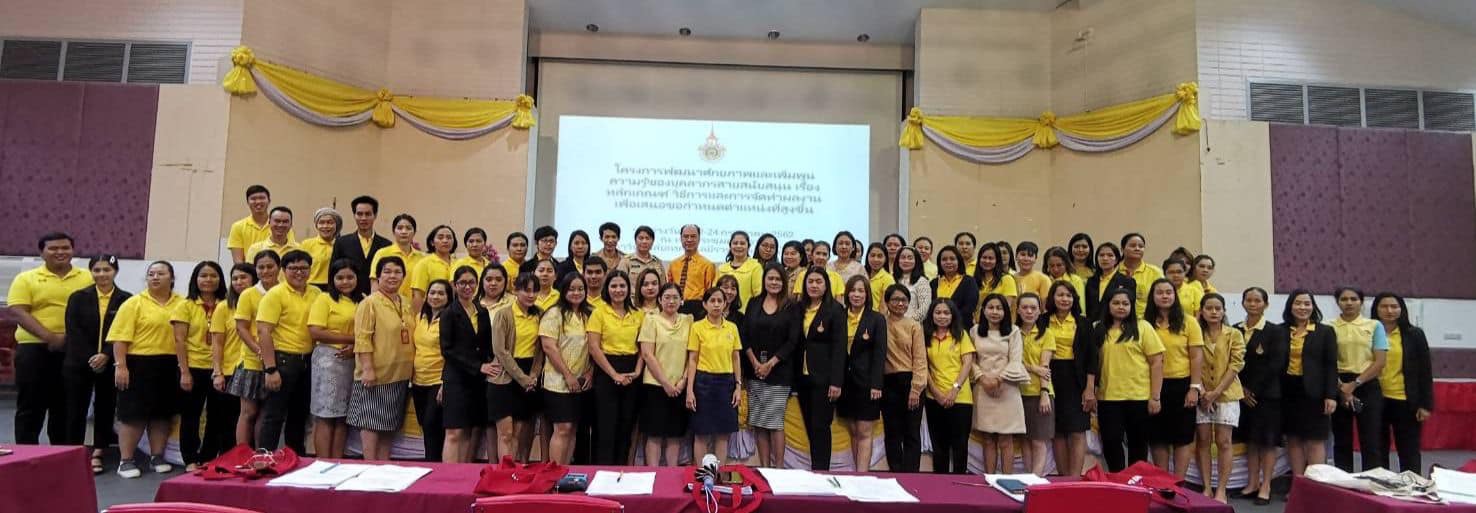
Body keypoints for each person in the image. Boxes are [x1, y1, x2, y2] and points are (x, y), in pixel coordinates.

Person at [4, 232, 92, 445]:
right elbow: (18, 311)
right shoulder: (26, 278)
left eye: (65, 248)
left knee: (65, 409)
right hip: (34, 349)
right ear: (41, 252)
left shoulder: (88, 278)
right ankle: (27, 456)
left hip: (73, 351)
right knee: (30, 407)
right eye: (53, 248)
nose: (60, 252)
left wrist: (69, 339)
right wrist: (50, 337)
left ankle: (61, 456)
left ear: (73, 251)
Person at [108, 261, 185, 478]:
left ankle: (157, 456)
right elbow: (120, 339)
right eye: (151, 274)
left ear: (172, 278)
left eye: (161, 273)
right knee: (133, 415)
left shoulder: (183, 303)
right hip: (138, 364)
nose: (155, 277)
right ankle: (126, 460)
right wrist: (121, 366)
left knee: (162, 414)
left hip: (170, 364)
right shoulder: (133, 303)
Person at [62, 255, 130, 473]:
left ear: (115, 272)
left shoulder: (126, 299)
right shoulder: (78, 297)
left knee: (105, 408)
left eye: (107, 270)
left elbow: (125, 332)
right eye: (97, 270)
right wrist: (92, 357)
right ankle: (73, 452)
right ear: (91, 272)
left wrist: (106, 355)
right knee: (75, 408)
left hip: (110, 363)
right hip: (79, 362)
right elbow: (73, 330)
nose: (102, 274)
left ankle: (98, 452)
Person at [254, 250, 324, 453]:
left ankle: (294, 458)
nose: (299, 272)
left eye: (303, 268)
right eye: (293, 268)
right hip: (282, 361)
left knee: (299, 414)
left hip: (308, 360)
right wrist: (270, 369)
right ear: (283, 270)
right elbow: (263, 331)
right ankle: (264, 458)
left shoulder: (316, 293)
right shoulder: (275, 294)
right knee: (274, 414)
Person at [349, 256, 414, 461]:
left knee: (389, 424)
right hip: (376, 374)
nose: (392, 276)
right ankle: (370, 465)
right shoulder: (369, 303)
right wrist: (368, 369)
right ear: (378, 277)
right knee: (370, 423)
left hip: (400, 374)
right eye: (387, 272)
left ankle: (383, 465)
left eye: (397, 272)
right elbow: (362, 338)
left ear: (404, 276)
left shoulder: (406, 302)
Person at [1094, 287, 1164, 472]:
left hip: (1139, 397)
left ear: (1132, 306)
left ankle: (1135, 481)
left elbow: (1157, 362)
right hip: (1108, 397)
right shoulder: (1098, 328)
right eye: (1116, 303)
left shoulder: (1143, 327)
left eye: (1125, 303)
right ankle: (1118, 479)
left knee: (1138, 444)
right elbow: (1092, 364)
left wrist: (1155, 396)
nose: (1121, 307)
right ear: (1108, 305)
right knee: (1110, 442)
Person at [171, 261, 231, 470]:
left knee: (216, 415)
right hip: (193, 367)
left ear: (220, 280)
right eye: (203, 276)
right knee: (191, 415)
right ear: (195, 279)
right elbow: (179, 341)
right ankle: (190, 458)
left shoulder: (227, 304)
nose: (208, 280)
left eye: (213, 276)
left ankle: (208, 457)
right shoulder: (185, 306)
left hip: (219, 368)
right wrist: (184, 372)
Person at [1145, 278, 1204, 479]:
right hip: (1152, 386)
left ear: (1175, 295)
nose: (1164, 296)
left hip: (1182, 385)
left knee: (1182, 437)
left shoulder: (1189, 322)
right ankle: (1162, 483)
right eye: (1159, 292)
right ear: (1152, 297)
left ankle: (1178, 483)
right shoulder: (1145, 323)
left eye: (1168, 292)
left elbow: (1196, 357)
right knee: (1157, 437)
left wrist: (1194, 388)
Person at [741, 264, 798, 468]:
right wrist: (755, 363)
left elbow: (792, 340)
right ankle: (765, 468)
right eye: (770, 278)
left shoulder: (791, 306)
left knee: (774, 423)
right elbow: (744, 335)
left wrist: (771, 364)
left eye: (778, 279)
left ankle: (778, 469)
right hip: (755, 371)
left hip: (779, 372)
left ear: (784, 282)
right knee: (759, 422)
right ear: (764, 280)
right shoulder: (754, 302)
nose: (774, 282)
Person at [587, 270, 645, 465]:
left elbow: (643, 347)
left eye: (622, 286)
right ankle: (603, 470)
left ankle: (622, 469)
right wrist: (614, 375)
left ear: (628, 288)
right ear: (607, 288)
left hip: (632, 371)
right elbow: (594, 347)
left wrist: (637, 371)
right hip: (606, 370)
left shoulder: (638, 314)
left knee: (626, 424)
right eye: (614, 286)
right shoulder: (599, 312)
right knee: (606, 424)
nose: (618, 290)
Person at [1372, 292, 1434, 474]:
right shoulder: (1369, 332)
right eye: (1384, 306)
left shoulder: (1414, 334)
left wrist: (1425, 405)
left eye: (1394, 306)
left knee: (1409, 449)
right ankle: (1381, 484)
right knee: (1377, 448)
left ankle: (1411, 485)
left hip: (1405, 400)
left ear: (1402, 309)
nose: (1389, 311)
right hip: (1375, 399)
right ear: (1376, 309)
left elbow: (1425, 370)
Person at [1235, 287, 1286, 505]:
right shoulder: (1234, 329)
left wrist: (1252, 390)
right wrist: (1241, 390)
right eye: (1249, 300)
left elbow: (1276, 364)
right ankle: (1252, 483)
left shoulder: (1275, 331)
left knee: (1267, 442)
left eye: (1258, 300)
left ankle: (1266, 486)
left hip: (1267, 396)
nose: (1253, 304)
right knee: (1251, 441)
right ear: (1243, 303)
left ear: (1266, 304)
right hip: (1240, 395)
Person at [305, 259, 361, 459]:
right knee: (326, 415)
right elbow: (316, 332)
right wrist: (353, 339)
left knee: (342, 415)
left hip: (352, 361)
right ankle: (323, 462)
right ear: (332, 279)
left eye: (350, 277)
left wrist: (355, 347)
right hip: (328, 360)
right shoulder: (325, 299)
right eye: (340, 277)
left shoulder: (362, 300)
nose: (345, 282)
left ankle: (337, 462)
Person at [1330, 286, 1389, 472]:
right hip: (1338, 383)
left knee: (1371, 439)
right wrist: (1342, 386)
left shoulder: (1374, 326)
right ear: (1337, 302)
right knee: (1342, 439)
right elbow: (1326, 360)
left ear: (1361, 302)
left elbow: (1380, 362)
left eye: (1353, 299)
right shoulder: (1328, 326)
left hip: (1367, 383)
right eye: (1344, 299)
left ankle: (1371, 480)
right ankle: (1342, 482)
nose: (1349, 303)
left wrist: (1354, 384)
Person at [1281, 289, 1339, 479]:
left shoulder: (1325, 332)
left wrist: (1331, 395)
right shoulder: (1280, 330)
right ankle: (1298, 483)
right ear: (1290, 306)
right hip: (1288, 391)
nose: (1302, 307)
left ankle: (1316, 484)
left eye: (1307, 304)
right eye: (1298, 303)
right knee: (1293, 439)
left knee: (1315, 439)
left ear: (1313, 307)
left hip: (1315, 392)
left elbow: (1331, 365)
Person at [488, 273, 545, 462]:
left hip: (529, 374)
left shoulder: (540, 314)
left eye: (535, 291)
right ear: (515, 290)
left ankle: (516, 470)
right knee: (506, 433)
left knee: (519, 433)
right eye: (526, 290)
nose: (531, 295)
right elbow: (500, 350)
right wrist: (522, 378)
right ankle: (505, 472)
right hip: (505, 375)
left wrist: (534, 375)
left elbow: (540, 350)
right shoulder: (504, 314)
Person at [1194, 293, 1244, 504]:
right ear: (1201, 311)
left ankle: (1221, 489)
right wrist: (1203, 392)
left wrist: (1215, 393)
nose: (1214, 312)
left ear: (1224, 311)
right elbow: (1192, 362)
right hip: (1201, 394)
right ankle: (1206, 487)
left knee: (1224, 442)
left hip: (1227, 394)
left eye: (1218, 308)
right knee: (1203, 441)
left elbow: (1236, 364)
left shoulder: (1234, 334)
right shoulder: (1196, 332)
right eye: (1209, 308)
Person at [970, 293, 1029, 473]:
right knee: (987, 439)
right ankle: (989, 478)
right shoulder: (974, 331)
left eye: (999, 308)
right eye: (991, 308)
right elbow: (970, 360)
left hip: (1007, 388)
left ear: (1006, 312)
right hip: (983, 388)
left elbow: (1016, 359)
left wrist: (998, 380)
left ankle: (1006, 480)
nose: (994, 312)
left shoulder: (1014, 331)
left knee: (1005, 440)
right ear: (983, 310)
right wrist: (983, 379)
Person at [441, 266, 494, 463]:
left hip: (477, 381)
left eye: (471, 282)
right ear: (455, 285)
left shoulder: (482, 311)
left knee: (468, 430)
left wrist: (489, 364)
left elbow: (486, 345)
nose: (467, 287)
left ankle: (461, 473)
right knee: (454, 432)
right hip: (456, 379)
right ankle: (448, 474)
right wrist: (477, 366)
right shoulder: (448, 313)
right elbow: (447, 350)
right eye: (462, 283)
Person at [684, 287, 743, 463]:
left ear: (725, 304)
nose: (716, 305)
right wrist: (689, 390)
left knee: (723, 434)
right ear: (705, 304)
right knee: (701, 433)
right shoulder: (697, 327)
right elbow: (692, 359)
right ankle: (703, 474)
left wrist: (738, 386)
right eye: (712, 301)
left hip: (726, 383)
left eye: (720, 301)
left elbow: (736, 358)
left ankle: (719, 474)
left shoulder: (732, 328)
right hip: (703, 383)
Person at [795, 267, 846, 470]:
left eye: (818, 282)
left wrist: (836, 382)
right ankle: (815, 468)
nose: (814, 285)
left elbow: (840, 348)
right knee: (810, 426)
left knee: (820, 426)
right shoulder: (798, 308)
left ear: (826, 286)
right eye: (810, 282)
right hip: (803, 378)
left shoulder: (835, 310)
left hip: (824, 379)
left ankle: (822, 471)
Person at [1044, 281, 1096, 476]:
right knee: (1057, 430)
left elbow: (1092, 358)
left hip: (1076, 379)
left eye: (1068, 295)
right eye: (1060, 295)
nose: (1064, 299)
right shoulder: (1042, 321)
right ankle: (1063, 479)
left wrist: (1089, 388)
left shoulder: (1083, 323)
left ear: (1074, 299)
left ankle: (1075, 478)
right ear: (1052, 298)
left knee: (1077, 430)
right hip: (1050, 377)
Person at [541, 273, 593, 465]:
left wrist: (590, 372)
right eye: (571, 289)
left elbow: (595, 347)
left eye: (580, 289)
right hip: (558, 382)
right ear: (563, 291)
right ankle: (554, 471)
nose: (576, 293)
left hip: (582, 383)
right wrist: (568, 375)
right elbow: (549, 347)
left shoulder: (590, 314)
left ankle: (565, 470)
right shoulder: (554, 314)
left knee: (572, 428)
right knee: (562, 428)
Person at [639, 283, 694, 466]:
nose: (671, 301)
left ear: (681, 300)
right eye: (667, 297)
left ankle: (672, 475)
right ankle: (653, 474)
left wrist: (683, 380)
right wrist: (665, 383)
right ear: (660, 300)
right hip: (655, 385)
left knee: (674, 435)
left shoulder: (688, 320)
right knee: (654, 435)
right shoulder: (651, 320)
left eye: (675, 297)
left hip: (679, 387)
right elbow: (647, 354)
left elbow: (692, 354)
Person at [229, 250, 279, 447]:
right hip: (252, 361)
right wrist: (260, 351)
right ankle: (241, 454)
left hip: (277, 361)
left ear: (279, 268)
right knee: (248, 412)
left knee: (266, 414)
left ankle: (261, 453)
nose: (265, 271)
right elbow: (241, 328)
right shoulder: (248, 294)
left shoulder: (283, 291)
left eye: (270, 266)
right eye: (261, 267)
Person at [839, 275, 888, 472]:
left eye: (861, 291)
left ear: (867, 294)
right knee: (853, 430)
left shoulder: (876, 319)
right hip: (845, 383)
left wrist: (876, 384)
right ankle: (857, 473)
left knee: (864, 431)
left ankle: (862, 475)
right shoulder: (840, 316)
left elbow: (879, 354)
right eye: (853, 290)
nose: (856, 295)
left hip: (868, 384)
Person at [924, 298, 975, 474]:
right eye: (938, 312)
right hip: (934, 398)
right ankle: (940, 485)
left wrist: (955, 389)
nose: (942, 316)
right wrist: (936, 392)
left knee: (960, 446)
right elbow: (924, 367)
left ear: (953, 315)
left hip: (960, 398)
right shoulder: (925, 336)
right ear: (931, 315)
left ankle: (959, 484)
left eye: (946, 313)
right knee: (939, 446)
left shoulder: (961, 335)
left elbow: (967, 363)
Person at [881, 284, 927, 473]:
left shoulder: (914, 325)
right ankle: (895, 472)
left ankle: (911, 475)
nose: (900, 304)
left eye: (904, 300)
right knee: (892, 432)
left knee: (911, 432)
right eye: (895, 300)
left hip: (910, 381)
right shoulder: (880, 323)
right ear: (887, 302)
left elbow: (920, 359)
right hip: (888, 383)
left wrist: (916, 389)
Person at [411, 279, 452, 461]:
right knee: (426, 426)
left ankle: (435, 466)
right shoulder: (419, 317)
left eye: (441, 293)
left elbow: (452, 354)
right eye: (432, 293)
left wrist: (445, 382)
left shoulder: (450, 319)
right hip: (418, 381)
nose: (436, 297)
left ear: (448, 297)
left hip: (438, 380)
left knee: (431, 425)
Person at [1014, 293, 1054, 476]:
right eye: (1025, 308)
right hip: (1017, 393)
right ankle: (1028, 477)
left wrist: (1044, 392)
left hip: (1039, 392)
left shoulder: (1047, 334)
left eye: (1033, 308)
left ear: (1040, 311)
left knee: (1038, 440)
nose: (1029, 311)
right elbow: (1012, 362)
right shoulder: (1013, 332)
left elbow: (1044, 367)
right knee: (1024, 439)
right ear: (1018, 310)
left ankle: (1036, 479)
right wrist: (1032, 367)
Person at [330, 195, 392, 296]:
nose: (363, 218)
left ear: (375, 215)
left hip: (378, 298)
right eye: (359, 214)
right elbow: (333, 273)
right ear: (354, 215)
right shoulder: (342, 242)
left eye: (368, 214)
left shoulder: (386, 245)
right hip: (348, 297)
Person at [227, 185, 291, 263]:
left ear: (269, 201)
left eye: (262, 198)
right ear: (247, 202)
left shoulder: (281, 226)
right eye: (253, 199)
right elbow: (238, 260)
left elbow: (289, 251)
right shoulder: (238, 227)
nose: (258, 202)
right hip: (250, 269)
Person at [370, 214, 424, 303]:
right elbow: (375, 282)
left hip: (414, 306)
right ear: (393, 231)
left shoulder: (422, 258)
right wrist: (376, 304)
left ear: (414, 232)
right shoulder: (382, 253)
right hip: (387, 304)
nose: (404, 232)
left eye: (408, 228)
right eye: (400, 228)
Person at [668, 224, 716, 315]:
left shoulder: (707, 265)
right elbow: (669, 288)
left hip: (698, 309)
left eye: (693, 236)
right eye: (686, 236)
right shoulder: (673, 264)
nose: (689, 240)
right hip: (675, 307)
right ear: (681, 239)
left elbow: (710, 292)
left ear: (699, 239)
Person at [412, 225, 458, 314]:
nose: (445, 241)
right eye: (440, 237)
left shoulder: (458, 263)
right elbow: (418, 295)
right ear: (432, 242)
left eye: (449, 238)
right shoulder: (424, 264)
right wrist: (420, 318)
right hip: (431, 314)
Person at [931, 246, 979, 330]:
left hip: (961, 329)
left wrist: (947, 319)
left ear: (959, 261)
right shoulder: (933, 283)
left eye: (952, 259)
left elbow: (969, 307)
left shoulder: (969, 281)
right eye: (944, 259)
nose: (948, 262)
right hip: (936, 330)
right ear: (939, 263)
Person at [1084, 242, 1135, 321]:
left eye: (1110, 255)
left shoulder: (1127, 281)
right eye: (1101, 255)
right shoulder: (1091, 281)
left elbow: (1129, 308)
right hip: (1092, 325)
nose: (1105, 258)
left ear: (1116, 260)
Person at [716, 231, 763, 313]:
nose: (738, 246)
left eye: (742, 243)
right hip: (721, 314)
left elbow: (758, 295)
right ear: (730, 246)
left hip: (746, 314)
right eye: (735, 243)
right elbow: (715, 292)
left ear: (748, 246)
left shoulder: (755, 267)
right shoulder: (721, 268)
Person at [1117, 233, 1162, 318]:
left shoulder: (1155, 272)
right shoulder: (1114, 270)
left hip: (1147, 319)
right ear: (1122, 249)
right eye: (1132, 246)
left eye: (1141, 246)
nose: (1137, 249)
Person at [300, 207, 343, 291]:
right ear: (316, 225)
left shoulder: (342, 244)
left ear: (336, 225)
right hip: (311, 288)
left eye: (330, 223)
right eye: (321, 223)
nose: (325, 226)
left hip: (336, 287)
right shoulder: (306, 244)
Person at [892, 246, 932, 323]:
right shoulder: (891, 278)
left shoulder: (922, 281)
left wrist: (908, 323)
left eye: (910, 258)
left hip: (913, 325)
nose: (906, 261)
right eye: (903, 257)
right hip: (891, 325)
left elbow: (925, 308)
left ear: (916, 261)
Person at [975, 243, 1018, 314]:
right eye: (984, 257)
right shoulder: (973, 280)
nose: (987, 261)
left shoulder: (1007, 279)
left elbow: (1007, 307)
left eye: (991, 258)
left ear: (997, 260)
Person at [863, 243, 895, 310]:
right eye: (872, 255)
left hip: (876, 316)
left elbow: (884, 308)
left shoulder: (888, 279)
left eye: (880, 256)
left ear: (885, 259)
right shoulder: (861, 273)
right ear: (867, 257)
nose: (875, 259)